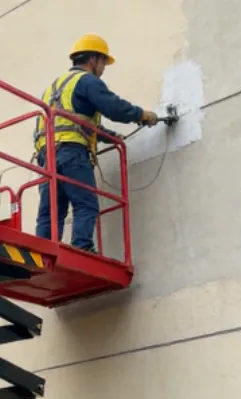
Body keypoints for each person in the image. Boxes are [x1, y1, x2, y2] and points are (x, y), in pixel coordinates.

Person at [33, 34, 158, 252]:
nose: (103, 69)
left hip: (46, 156)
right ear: (93, 59)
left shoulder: (53, 88)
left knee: (51, 211)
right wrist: (141, 115)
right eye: (103, 63)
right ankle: (82, 248)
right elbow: (114, 107)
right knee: (85, 204)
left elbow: (74, 121)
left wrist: (108, 135)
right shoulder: (87, 81)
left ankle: (41, 251)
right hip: (71, 152)